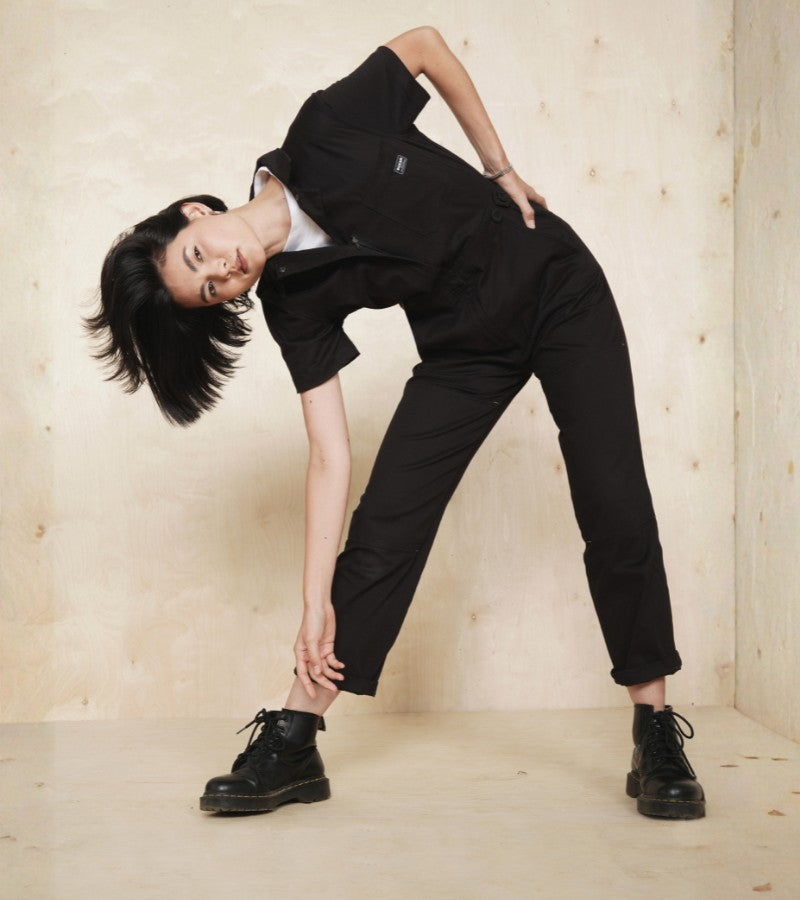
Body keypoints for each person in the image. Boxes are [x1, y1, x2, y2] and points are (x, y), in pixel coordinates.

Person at [88, 26, 705, 820]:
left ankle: (653, 727)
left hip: (556, 286)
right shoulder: (291, 300)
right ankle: (296, 736)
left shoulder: (326, 129)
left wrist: (500, 166)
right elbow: (328, 455)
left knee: (611, 495)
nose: (223, 270)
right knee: (386, 525)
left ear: (195, 211)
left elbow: (421, 45)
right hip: (463, 347)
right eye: (209, 289)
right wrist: (315, 602)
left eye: (199, 253)